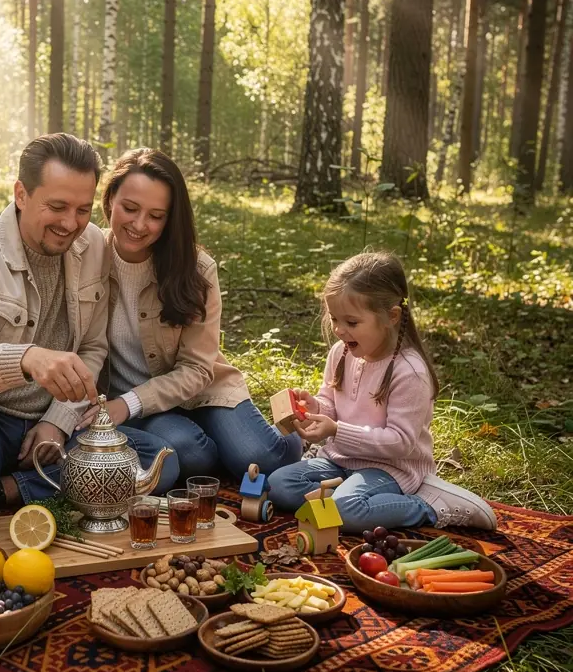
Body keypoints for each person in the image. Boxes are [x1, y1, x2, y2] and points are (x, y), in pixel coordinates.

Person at [0, 133, 179, 518]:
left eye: (83, 210)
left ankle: (3, 491)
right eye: (57, 206)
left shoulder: (93, 247)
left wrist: (58, 422)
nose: (71, 224)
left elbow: (92, 349)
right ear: (21, 194)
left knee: (159, 460)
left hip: (53, 421)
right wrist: (27, 359)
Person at [75, 148, 302, 481]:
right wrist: (126, 404)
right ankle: (203, 439)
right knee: (192, 454)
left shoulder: (196, 268)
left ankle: (287, 437)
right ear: (109, 200)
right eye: (130, 208)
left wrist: (127, 405)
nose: (139, 224)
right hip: (138, 404)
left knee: (260, 458)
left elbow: (197, 369)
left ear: (170, 218)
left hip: (201, 393)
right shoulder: (86, 258)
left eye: (156, 215)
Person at [266, 252, 497, 532]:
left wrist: (336, 431)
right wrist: (316, 409)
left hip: (391, 468)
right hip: (339, 460)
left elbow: (400, 443)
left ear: (392, 316)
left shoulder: (409, 371)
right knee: (279, 485)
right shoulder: (341, 352)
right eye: (334, 318)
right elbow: (330, 401)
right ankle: (344, 497)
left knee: (345, 511)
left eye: (351, 322)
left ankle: (430, 505)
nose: (339, 330)